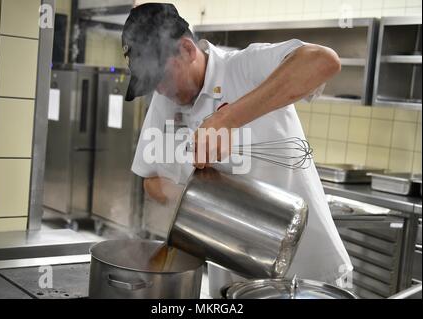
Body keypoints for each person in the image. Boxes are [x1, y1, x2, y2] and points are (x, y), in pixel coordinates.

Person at [122, 2, 353, 285]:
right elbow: (151, 180)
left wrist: (228, 118)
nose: (160, 90)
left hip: (305, 277)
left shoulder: (244, 67)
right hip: (234, 279)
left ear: (187, 49)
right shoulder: (165, 99)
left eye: (162, 77)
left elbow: (324, 61)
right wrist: (197, 197)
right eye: (150, 82)